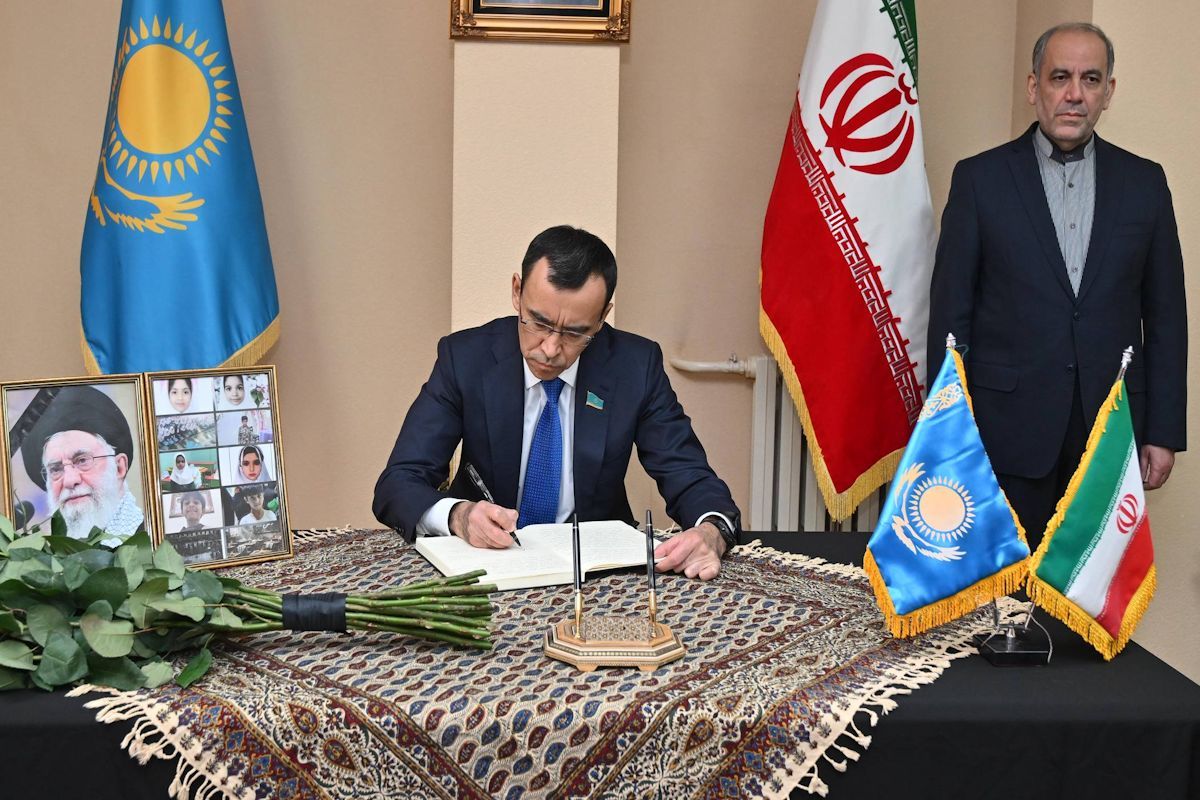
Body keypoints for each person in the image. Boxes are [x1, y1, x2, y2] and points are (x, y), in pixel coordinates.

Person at [926, 23, 1186, 547]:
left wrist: (1162, 432)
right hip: (1003, 432)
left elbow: (1166, 318)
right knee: (1005, 584)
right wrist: (946, 430)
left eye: (1090, 79)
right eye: (1059, 77)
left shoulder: (1145, 183)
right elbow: (951, 315)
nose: (1074, 94)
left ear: (1108, 91)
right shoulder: (980, 180)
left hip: (1109, 434)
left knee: (1092, 590)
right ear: (1034, 87)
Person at [373, 225, 741, 580]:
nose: (550, 349)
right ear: (517, 292)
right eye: (538, 323)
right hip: (487, 561)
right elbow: (398, 482)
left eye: (575, 333)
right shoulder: (466, 358)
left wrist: (711, 530)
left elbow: (687, 473)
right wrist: (459, 516)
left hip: (598, 573)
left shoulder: (635, 367)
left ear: (602, 318)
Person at [20, 385, 145, 544]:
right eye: (56, 469)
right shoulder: (44, 553)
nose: (70, 481)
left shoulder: (154, 539)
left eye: (82, 461)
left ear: (119, 468)